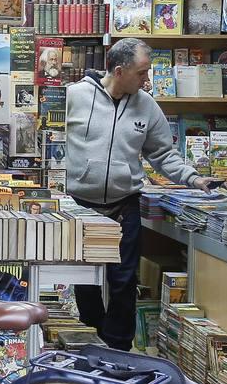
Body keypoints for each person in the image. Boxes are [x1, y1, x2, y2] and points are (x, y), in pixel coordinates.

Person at [65, 38, 214, 351]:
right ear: (120, 71)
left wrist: (194, 179)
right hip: (81, 207)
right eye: (142, 73)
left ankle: (118, 352)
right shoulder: (75, 95)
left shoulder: (146, 104)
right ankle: (90, 345)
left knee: (123, 282)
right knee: (85, 281)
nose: (147, 80)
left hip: (124, 206)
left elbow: (162, 153)